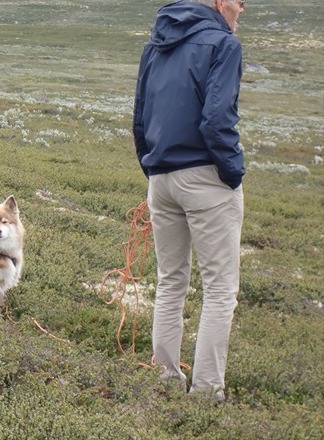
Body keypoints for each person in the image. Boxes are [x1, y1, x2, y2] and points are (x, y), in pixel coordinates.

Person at [132, 0, 246, 402]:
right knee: (219, 290)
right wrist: (232, 173)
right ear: (218, 2)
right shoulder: (223, 44)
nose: (242, 10)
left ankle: (164, 379)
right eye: (239, 1)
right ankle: (206, 394)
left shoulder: (155, 44)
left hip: (161, 179)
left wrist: (155, 170)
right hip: (205, 178)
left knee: (171, 281)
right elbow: (217, 120)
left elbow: (140, 119)